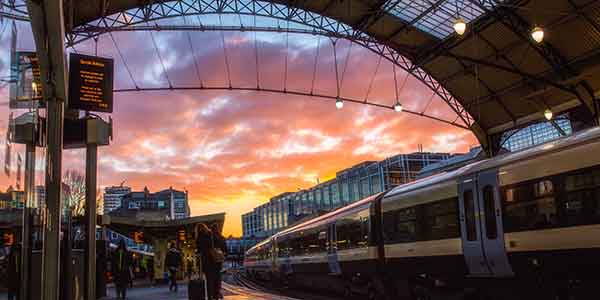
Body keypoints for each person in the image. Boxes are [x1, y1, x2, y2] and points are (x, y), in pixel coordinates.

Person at [196, 223, 217, 300]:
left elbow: (198, 249)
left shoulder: (199, 236)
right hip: (211, 259)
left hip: (204, 260)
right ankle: (211, 295)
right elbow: (212, 246)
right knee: (210, 279)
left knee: (206, 279)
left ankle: (208, 295)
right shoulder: (210, 234)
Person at [211, 224, 227, 300]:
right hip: (219, 260)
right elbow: (225, 250)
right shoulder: (222, 237)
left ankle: (215, 293)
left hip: (211, 260)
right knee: (218, 276)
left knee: (213, 277)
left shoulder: (210, 237)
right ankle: (218, 292)